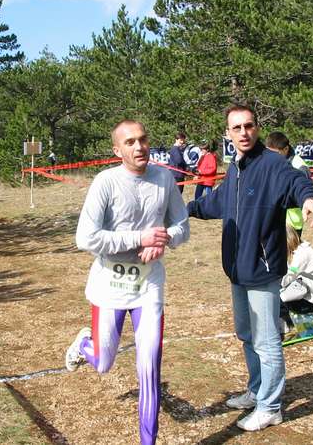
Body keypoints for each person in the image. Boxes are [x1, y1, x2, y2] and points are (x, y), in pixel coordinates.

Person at [187, 105, 313, 431]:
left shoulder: (272, 164)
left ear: (257, 128)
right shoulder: (235, 168)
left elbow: (298, 183)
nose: (244, 132)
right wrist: (185, 209)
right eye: (236, 128)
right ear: (228, 133)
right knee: (247, 334)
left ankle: (270, 407)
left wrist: (309, 199)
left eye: (248, 125)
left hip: (262, 270)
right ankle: (257, 390)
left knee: (266, 341)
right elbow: (217, 202)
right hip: (237, 269)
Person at [65, 120, 190, 444]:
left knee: (149, 368)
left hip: (148, 286)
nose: (139, 147)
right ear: (117, 150)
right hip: (109, 285)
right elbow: (85, 238)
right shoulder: (106, 182)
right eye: (130, 142)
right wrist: (140, 238)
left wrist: (164, 240)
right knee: (104, 363)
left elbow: (182, 226)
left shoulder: (164, 178)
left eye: (143, 139)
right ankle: (85, 344)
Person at [279, 225, 313, 330]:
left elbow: (286, 279)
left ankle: (283, 325)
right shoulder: (299, 250)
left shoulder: (302, 255)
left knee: (273, 296)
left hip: (309, 301)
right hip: (302, 291)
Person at [265, 132, 310, 237]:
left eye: (275, 153)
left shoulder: (299, 166)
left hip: (291, 224)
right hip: (271, 219)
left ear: (286, 149)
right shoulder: (270, 162)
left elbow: (300, 193)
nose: (270, 157)